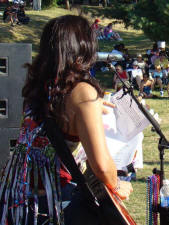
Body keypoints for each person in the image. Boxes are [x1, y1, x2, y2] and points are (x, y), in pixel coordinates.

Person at [0, 15, 132, 225]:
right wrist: (117, 185)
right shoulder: (83, 93)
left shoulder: (40, 86)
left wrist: (92, 108)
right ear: (83, 47)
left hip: (16, 201)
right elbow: (102, 167)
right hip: (51, 207)